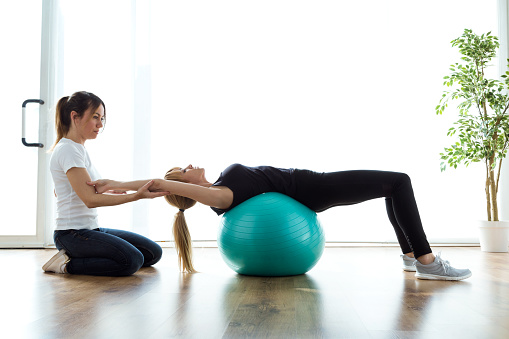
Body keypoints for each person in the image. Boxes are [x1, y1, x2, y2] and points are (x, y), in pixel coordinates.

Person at [88, 163, 472, 281]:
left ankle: (411, 257)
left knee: (391, 187)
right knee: (398, 182)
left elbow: (163, 182)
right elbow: (160, 184)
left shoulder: (220, 187)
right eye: (183, 170)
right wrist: (121, 185)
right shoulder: (221, 198)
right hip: (314, 190)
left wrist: (119, 184)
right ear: (184, 186)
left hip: (311, 186)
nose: (189, 164)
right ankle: (426, 261)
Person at [42, 91, 168, 276]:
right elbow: (90, 200)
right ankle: (65, 265)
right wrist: (136, 196)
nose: (100, 124)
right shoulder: (68, 150)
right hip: (71, 234)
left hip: (90, 229)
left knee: (152, 253)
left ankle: (81, 258)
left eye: (102, 118)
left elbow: (76, 191)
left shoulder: (78, 149)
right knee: (132, 260)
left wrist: (111, 190)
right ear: (75, 116)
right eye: (95, 117)